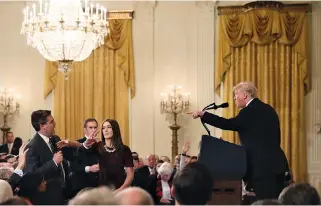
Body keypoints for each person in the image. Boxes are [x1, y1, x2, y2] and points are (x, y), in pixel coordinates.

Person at [188, 81, 289, 202]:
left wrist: (203, 114)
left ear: (245, 95)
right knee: (275, 202)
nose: (234, 97)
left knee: (264, 203)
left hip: (261, 170)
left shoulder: (249, 111)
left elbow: (228, 124)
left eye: (236, 94)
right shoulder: (269, 110)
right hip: (278, 165)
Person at [61, 119, 134, 193]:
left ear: (115, 129)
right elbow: (80, 145)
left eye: (109, 127)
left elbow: (130, 173)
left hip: (120, 189)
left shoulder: (125, 149)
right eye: (103, 128)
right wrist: (69, 142)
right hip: (102, 191)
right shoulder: (98, 146)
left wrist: (121, 189)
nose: (105, 130)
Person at [24, 110, 74, 204]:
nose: (55, 124)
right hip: (47, 199)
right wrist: (53, 162)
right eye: (51, 122)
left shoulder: (56, 139)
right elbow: (32, 176)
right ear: (42, 126)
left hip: (65, 195)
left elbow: (69, 159)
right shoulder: (32, 146)